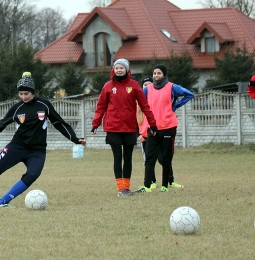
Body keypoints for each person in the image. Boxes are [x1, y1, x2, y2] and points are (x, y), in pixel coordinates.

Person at [0, 72, 86, 208]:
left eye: (26, 94)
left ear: (32, 92)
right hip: (17, 146)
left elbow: (59, 123)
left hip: (37, 150)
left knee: (33, 174)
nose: (23, 97)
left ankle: (3, 201)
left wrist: (75, 139)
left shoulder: (44, 105)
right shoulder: (16, 108)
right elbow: (2, 124)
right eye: (20, 94)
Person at [91, 59, 157, 197]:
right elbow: (101, 106)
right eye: (117, 68)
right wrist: (95, 123)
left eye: (122, 68)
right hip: (113, 127)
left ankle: (126, 188)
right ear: (113, 70)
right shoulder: (108, 86)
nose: (119, 70)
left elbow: (145, 106)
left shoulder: (134, 85)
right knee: (117, 157)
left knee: (128, 158)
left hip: (129, 128)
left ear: (127, 70)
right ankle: (120, 189)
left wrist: (153, 124)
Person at [136, 64, 194, 193]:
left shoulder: (172, 87)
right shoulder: (147, 89)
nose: (156, 75)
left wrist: (175, 106)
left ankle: (165, 186)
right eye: (154, 73)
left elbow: (189, 94)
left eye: (159, 73)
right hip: (153, 128)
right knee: (149, 157)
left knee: (166, 158)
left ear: (164, 74)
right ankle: (147, 185)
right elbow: (140, 102)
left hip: (168, 126)